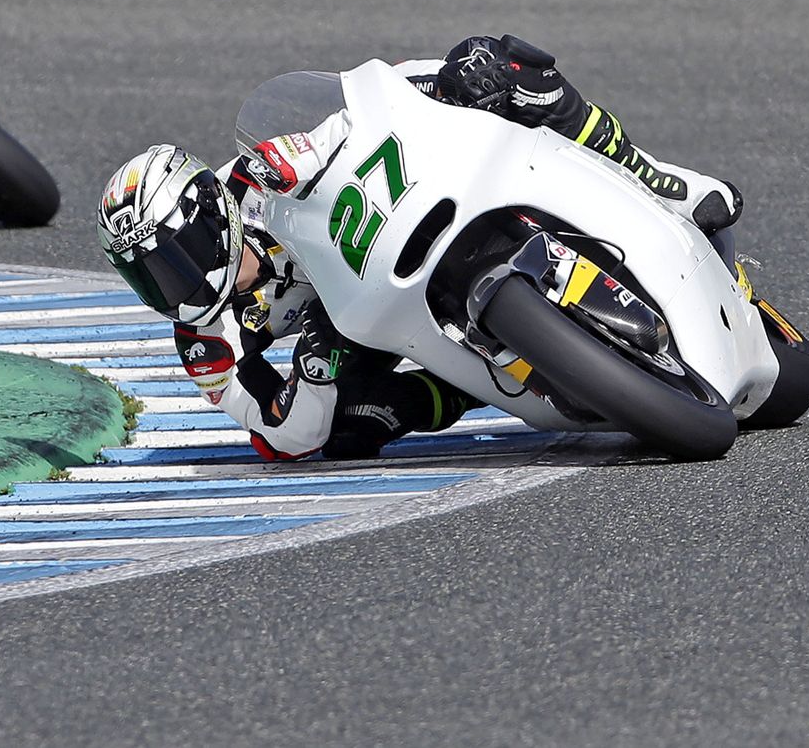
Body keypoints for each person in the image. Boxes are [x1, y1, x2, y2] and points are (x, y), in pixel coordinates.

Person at [95, 35, 744, 462]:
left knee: (496, 67)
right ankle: (484, 384)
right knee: (352, 429)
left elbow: (362, 111)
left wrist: (439, 85)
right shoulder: (207, 343)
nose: (171, 284)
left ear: (209, 213)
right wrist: (315, 373)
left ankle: (649, 171)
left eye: (173, 257)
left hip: (402, 223)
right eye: (149, 276)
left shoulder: (256, 177)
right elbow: (281, 434)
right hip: (366, 319)